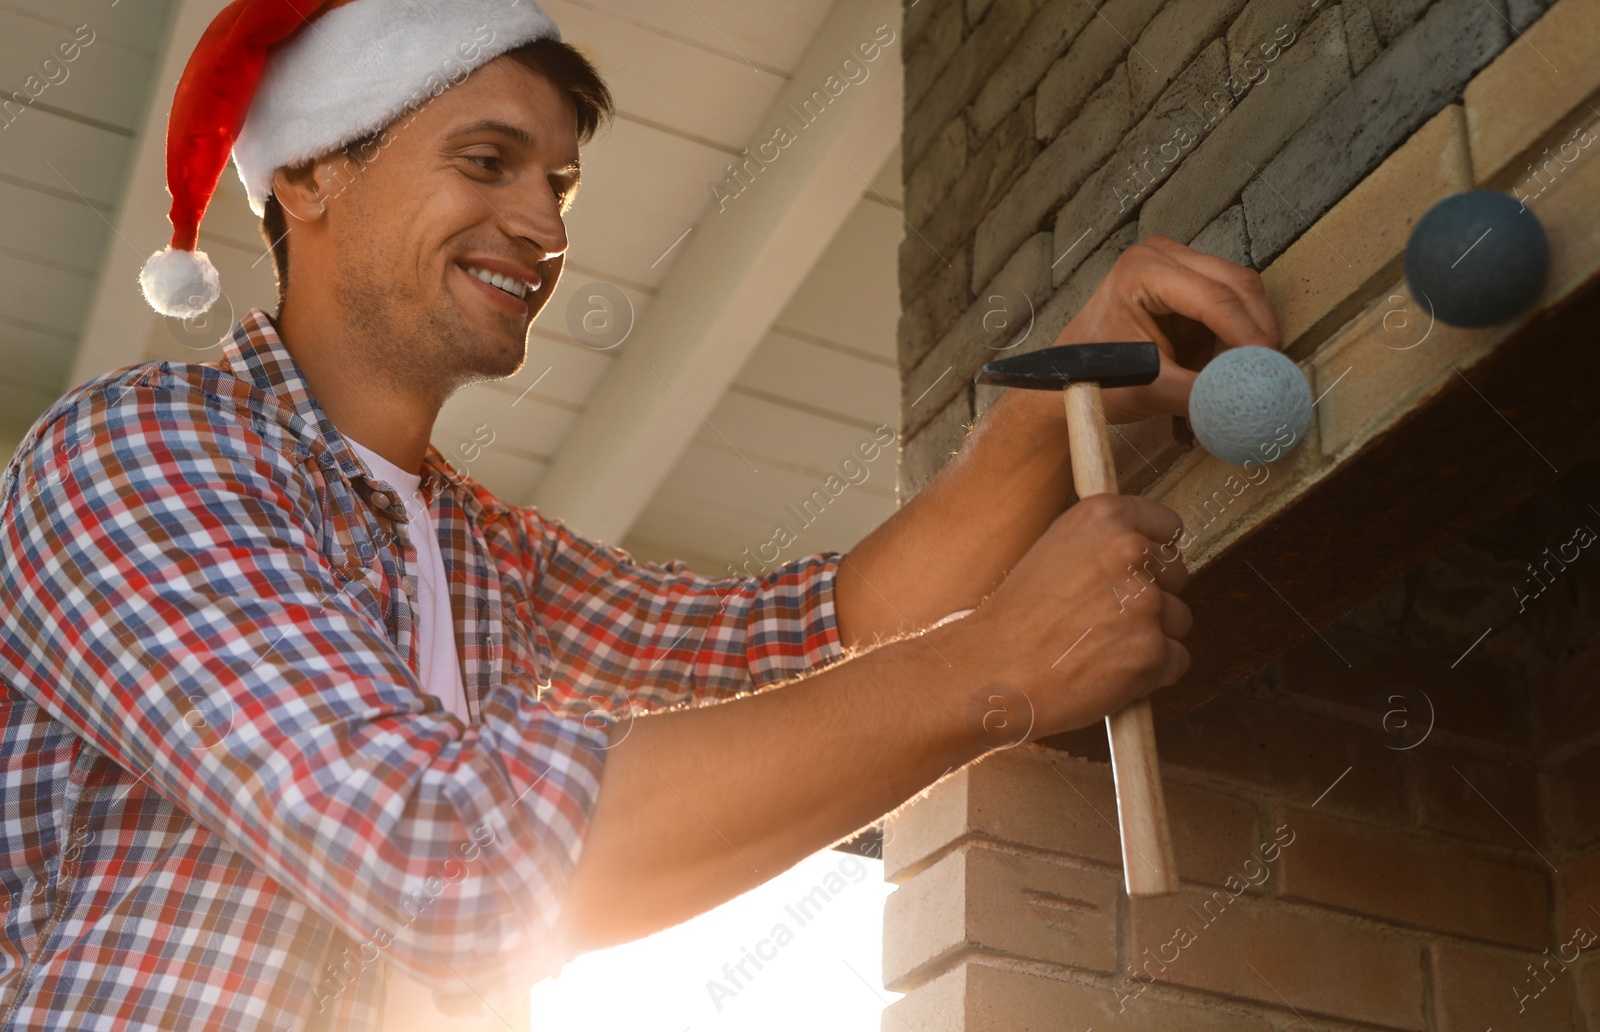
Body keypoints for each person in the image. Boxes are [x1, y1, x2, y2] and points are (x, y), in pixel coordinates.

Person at [0, 1, 1283, 1029]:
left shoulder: (487, 552)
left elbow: (823, 635)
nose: (540, 224)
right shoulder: (134, 448)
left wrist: (1041, 412)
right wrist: (1000, 667)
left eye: (557, 183)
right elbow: (434, 852)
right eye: (487, 161)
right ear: (314, 173)